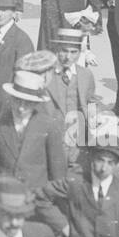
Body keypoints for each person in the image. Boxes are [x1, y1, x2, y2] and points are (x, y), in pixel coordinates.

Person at [0, 60, 67, 223]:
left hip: (37, 206)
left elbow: (58, 174)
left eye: (27, 103)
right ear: (11, 97)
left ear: (36, 103)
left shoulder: (49, 126)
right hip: (3, 202)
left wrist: (59, 213)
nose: (21, 108)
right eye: (17, 100)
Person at [47, 29, 99, 173]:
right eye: (64, 51)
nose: (68, 57)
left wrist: (94, 125)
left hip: (77, 142)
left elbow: (91, 102)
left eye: (73, 52)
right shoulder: (46, 74)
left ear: (79, 53)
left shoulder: (85, 75)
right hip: (53, 140)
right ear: (57, 50)